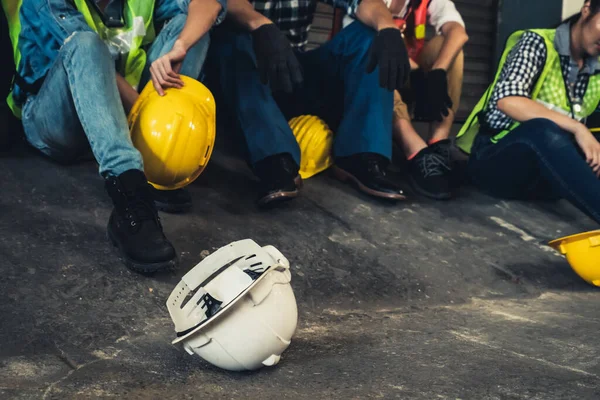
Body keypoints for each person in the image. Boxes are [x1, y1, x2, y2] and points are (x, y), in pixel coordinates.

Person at [2, 0, 226, 273]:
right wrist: (153, 115)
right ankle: (130, 194)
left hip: (121, 117)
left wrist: (181, 46)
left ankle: (159, 160)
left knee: (189, 28)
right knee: (86, 43)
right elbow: (93, 58)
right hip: (55, 123)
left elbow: (209, 3)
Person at [204, 0, 412, 207]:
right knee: (231, 40)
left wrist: (387, 28)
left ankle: (360, 156)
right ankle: (274, 161)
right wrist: (259, 24)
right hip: (251, 78)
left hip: (294, 72)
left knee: (369, 35)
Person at [456, 0, 600, 224]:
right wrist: (577, 127)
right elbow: (508, 100)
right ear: (587, 9)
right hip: (497, 163)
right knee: (544, 131)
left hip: (547, 175)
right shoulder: (538, 42)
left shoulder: (597, 70)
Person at [342, 0, 468, 200]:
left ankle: (438, 145)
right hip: (365, 75)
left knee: (450, 46)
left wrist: (438, 72)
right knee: (373, 46)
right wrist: (415, 70)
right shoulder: (366, 4)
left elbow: (458, 32)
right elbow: (361, 45)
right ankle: (414, 150)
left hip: (409, 77)